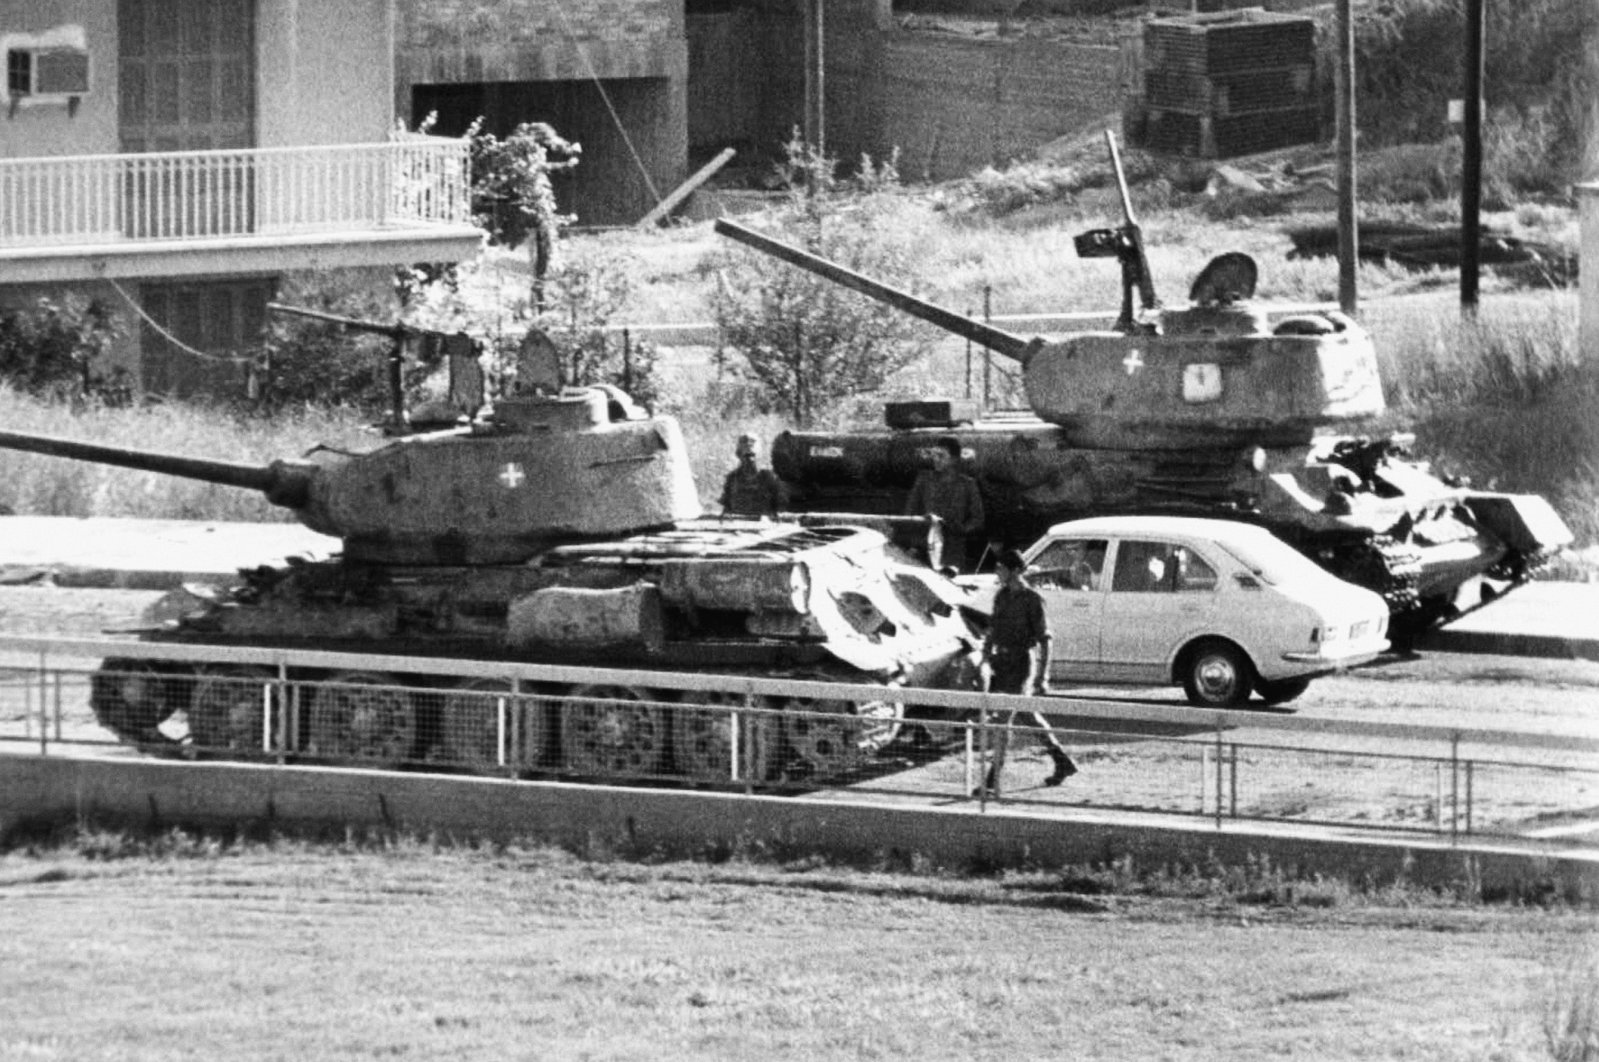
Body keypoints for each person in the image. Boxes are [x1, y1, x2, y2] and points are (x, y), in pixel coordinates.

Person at [977, 548, 1077, 796]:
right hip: (1002, 662)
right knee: (1028, 716)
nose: (997, 572)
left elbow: (1046, 639)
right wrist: (985, 657)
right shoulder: (1001, 596)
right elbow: (992, 628)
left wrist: (1043, 676)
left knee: (1004, 720)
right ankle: (1062, 761)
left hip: (1022, 663)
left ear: (1015, 571)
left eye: (1001, 568)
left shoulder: (1032, 600)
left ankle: (992, 781)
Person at [904, 436, 985, 572]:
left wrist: (961, 529)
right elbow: (910, 512)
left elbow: (978, 519)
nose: (936, 459)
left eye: (941, 456)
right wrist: (914, 542)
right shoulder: (924, 480)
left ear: (954, 459)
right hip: (923, 544)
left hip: (953, 548)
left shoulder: (967, 484)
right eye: (934, 455)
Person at [720, 432, 786, 518]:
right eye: (746, 456)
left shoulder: (770, 477)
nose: (750, 460)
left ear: (760, 454)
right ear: (739, 454)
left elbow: (780, 509)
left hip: (765, 524)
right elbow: (727, 509)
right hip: (738, 523)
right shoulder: (732, 478)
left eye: (752, 455)